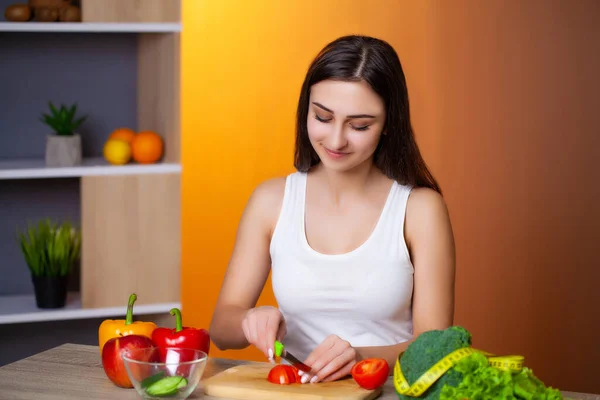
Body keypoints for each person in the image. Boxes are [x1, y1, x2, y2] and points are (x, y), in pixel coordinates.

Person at [209, 34, 456, 385]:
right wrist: (250, 319)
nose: (337, 140)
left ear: (388, 125)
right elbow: (222, 329)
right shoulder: (271, 201)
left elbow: (437, 348)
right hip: (295, 393)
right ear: (305, 110)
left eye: (359, 126)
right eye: (322, 117)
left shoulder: (419, 209)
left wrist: (360, 358)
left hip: (384, 391)